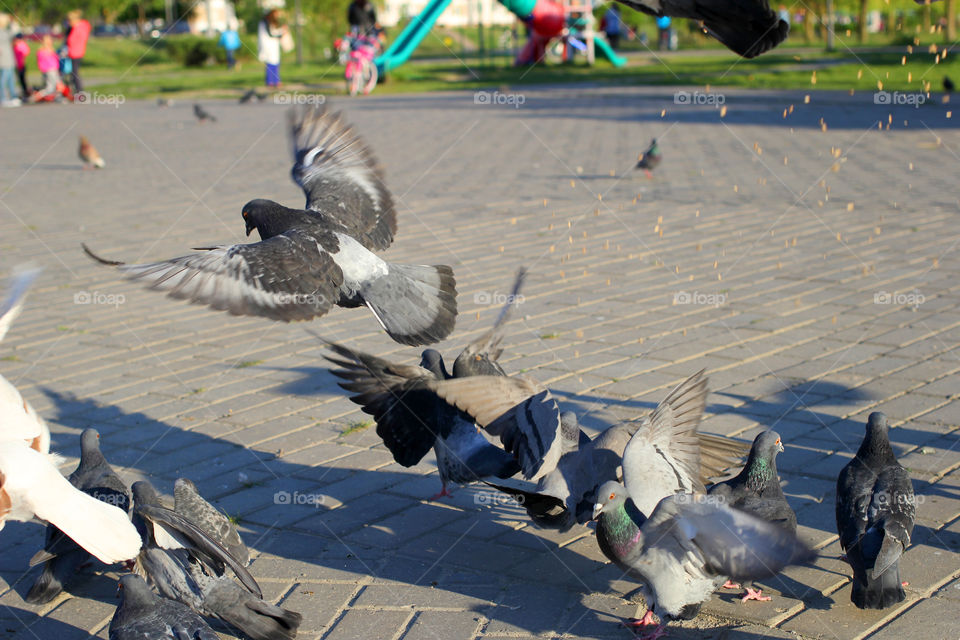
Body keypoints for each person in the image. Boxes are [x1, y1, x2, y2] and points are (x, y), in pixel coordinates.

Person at [257, 9, 290, 87]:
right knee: (270, 64)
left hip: (273, 46)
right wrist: (281, 33)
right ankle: (270, 82)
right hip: (268, 46)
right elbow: (271, 34)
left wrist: (281, 31)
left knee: (275, 63)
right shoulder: (264, 22)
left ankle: (276, 81)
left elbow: (274, 32)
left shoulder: (270, 22)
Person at [64, 9, 90, 93]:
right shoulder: (76, 28)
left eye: (70, 21)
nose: (69, 23)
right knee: (72, 72)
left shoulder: (79, 28)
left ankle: (80, 91)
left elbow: (71, 41)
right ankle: (74, 89)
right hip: (73, 52)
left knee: (74, 72)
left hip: (76, 53)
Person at [32, 34, 61, 102]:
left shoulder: (51, 50)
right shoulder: (43, 51)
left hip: (54, 69)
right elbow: (42, 63)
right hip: (50, 70)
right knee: (51, 87)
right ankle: (38, 95)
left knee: (56, 85)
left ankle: (57, 97)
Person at [0, 14, 19, 107]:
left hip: (8, 59)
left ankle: (13, 96)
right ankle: (2, 98)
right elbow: (13, 33)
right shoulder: (2, 32)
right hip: (5, 59)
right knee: (4, 80)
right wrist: (12, 24)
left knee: (11, 79)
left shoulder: (4, 31)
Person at [13, 33, 28, 98]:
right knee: (19, 79)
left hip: (21, 65)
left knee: (22, 79)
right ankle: (23, 91)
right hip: (17, 65)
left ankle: (25, 91)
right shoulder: (15, 45)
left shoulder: (21, 45)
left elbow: (26, 52)